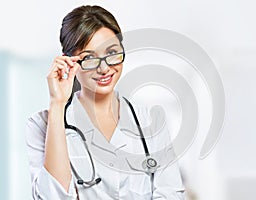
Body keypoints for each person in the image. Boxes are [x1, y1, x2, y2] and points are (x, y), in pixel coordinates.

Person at [26, 5, 185, 200]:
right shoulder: (41, 125)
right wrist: (57, 103)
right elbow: (51, 198)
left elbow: (171, 194)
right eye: (89, 58)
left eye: (112, 53)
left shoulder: (151, 121)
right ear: (70, 62)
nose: (104, 68)